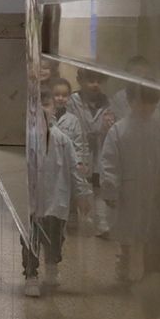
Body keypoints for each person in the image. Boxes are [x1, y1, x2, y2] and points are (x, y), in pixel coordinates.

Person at [98, 84, 160, 281]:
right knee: (126, 228)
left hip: (153, 188)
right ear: (130, 102)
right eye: (141, 103)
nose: (146, 108)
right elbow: (109, 161)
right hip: (127, 188)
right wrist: (110, 189)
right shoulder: (119, 130)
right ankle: (124, 259)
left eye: (151, 103)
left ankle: (148, 267)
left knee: (149, 230)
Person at [24, 90, 90, 297]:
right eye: (39, 104)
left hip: (56, 198)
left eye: (47, 104)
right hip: (32, 200)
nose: (44, 108)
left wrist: (82, 193)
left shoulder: (62, 140)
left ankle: (52, 265)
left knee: (54, 237)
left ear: (54, 108)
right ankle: (31, 274)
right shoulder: (27, 138)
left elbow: (74, 168)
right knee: (30, 237)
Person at [67, 68, 114, 229]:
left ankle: (101, 221)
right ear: (80, 81)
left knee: (98, 185)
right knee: (79, 183)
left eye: (99, 81)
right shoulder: (72, 101)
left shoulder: (108, 103)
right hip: (79, 149)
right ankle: (79, 217)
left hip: (99, 150)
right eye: (91, 80)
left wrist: (107, 128)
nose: (95, 85)